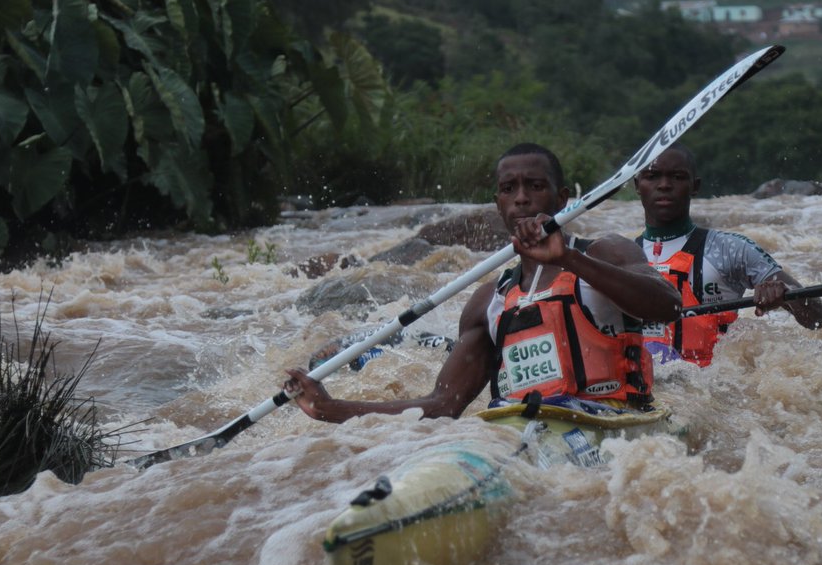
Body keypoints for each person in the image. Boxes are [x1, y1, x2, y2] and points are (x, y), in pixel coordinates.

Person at [281, 143, 682, 422]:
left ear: (561, 199)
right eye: (509, 190)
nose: (521, 199)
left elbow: (667, 306)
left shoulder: (604, 253)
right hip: (521, 428)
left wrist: (568, 259)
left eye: (535, 187)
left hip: (612, 419)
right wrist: (330, 409)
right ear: (498, 205)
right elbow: (442, 406)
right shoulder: (488, 301)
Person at [633, 143, 822, 367]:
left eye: (677, 177)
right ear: (638, 185)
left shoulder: (730, 249)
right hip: (642, 389)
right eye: (652, 176)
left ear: (695, 186)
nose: (665, 185)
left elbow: (818, 319)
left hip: (707, 391)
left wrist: (788, 295)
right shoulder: (616, 256)